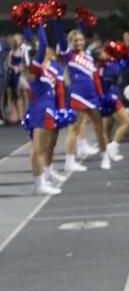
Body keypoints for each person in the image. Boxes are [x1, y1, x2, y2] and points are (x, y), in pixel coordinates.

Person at [57, 23, 111, 171]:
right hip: (77, 95)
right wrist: (58, 20)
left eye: (81, 39)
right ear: (70, 42)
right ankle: (69, 162)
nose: (79, 42)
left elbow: (95, 78)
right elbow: (61, 40)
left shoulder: (88, 56)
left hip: (92, 96)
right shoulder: (68, 55)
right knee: (74, 129)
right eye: (75, 40)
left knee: (99, 129)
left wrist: (100, 96)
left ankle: (105, 157)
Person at [26, 24, 66, 195]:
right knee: (37, 149)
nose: (47, 51)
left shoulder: (47, 69)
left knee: (44, 148)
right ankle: (39, 183)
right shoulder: (34, 67)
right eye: (44, 51)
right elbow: (42, 45)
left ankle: (41, 181)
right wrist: (38, 24)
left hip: (48, 109)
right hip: (39, 110)